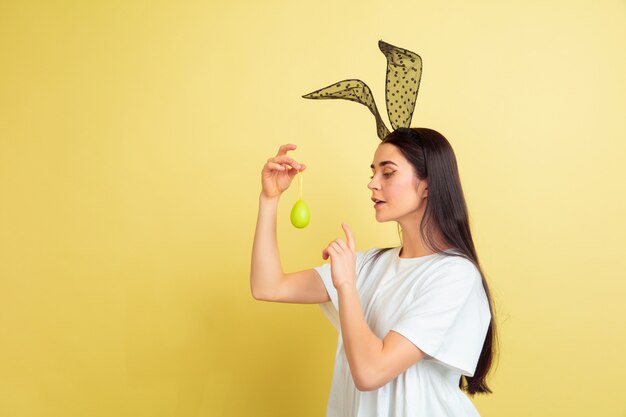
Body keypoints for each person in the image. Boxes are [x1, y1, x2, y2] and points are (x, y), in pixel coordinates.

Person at [250, 127, 497, 417]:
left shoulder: (455, 276)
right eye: (373, 173)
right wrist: (270, 199)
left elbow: (370, 373)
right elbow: (268, 287)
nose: (372, 184)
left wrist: (346, 286)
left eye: (387, 173)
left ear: (427, 185)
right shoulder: (370, 264)